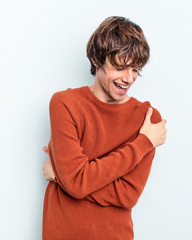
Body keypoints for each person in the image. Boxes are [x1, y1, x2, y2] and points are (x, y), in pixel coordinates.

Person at [41, 16, 167, 240]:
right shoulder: (64, 104)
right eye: (120, 67)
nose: (128, 78)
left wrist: (62, 177)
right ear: (96, 59)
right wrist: (143, 143)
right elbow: (77, 182)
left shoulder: (148, 119)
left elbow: (128, 195)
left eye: (136, 69)